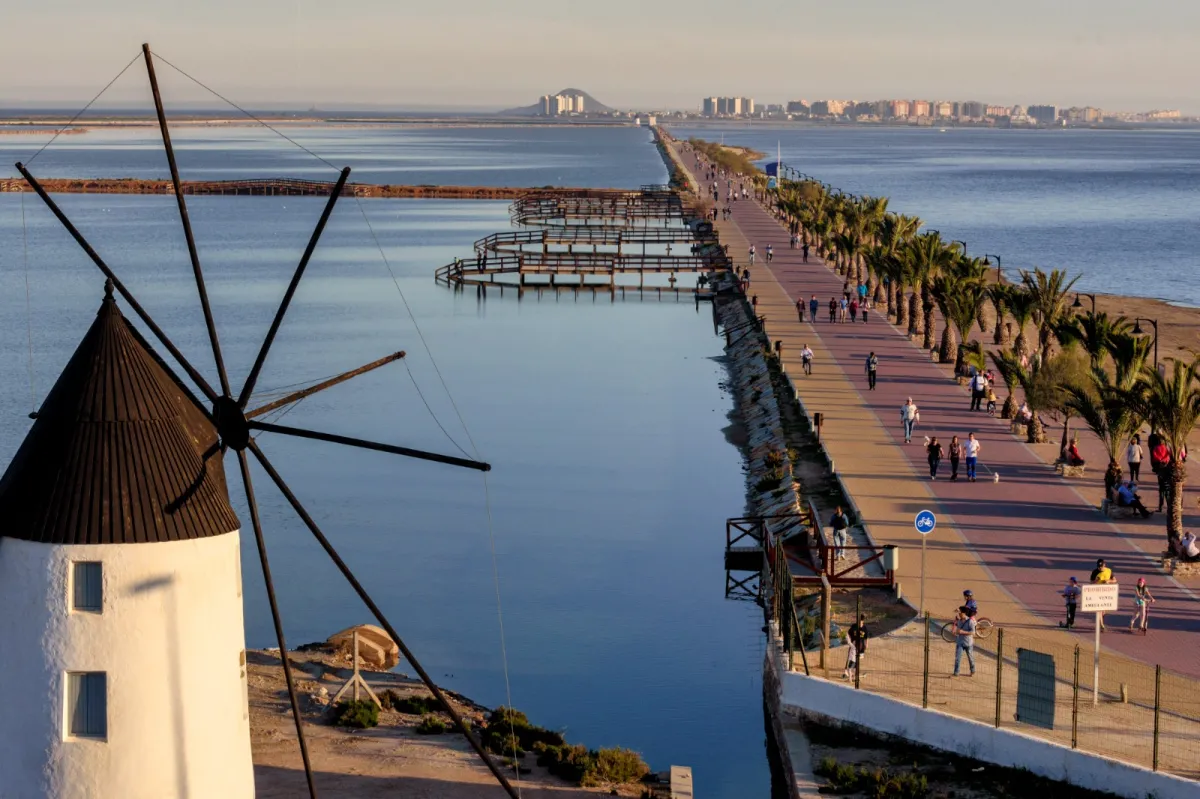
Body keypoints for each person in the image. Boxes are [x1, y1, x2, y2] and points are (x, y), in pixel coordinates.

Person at [1090, 558, 1113, 631]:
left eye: (1101, 566)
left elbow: (1115, 580)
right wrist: (1096, 581)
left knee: (1103, 611)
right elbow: (1091, 582)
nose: (1100, 568)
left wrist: (1108, 581)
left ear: (1104, 565)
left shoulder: (1109, 570)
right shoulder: (1095, 571)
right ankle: (1102, 625)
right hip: (1097, 592)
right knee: (1099, 609)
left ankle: (1100, 621)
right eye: (1099, 566)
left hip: (1106, 593)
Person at [953, 608, 977, 677]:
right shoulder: (959, 621)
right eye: (959, 613)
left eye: (960, 613)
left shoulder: (970, 621)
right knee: (957, 658)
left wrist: (963, 632)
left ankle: (972, 670)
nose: (959, 614)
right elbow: (958, 630)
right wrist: (956, 632)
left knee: (970, 658)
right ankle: (956, 672)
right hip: (960, 642)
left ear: (964, 613)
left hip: (968, 643)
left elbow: (973, 632)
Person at [843, 615, 869, 681]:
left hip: (861, 647)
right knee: (850, 659)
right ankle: (846, 672)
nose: (859, 623)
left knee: (857, 660)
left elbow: (866, 637)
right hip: (853, 646)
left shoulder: (864, 628)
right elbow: (848, 634)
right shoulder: (854, 626)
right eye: (858, 622)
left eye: (860, 622)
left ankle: (854, 674)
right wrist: (849, 641)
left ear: (863, 621)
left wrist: (866, 644)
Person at [1151, 437, 1172, 512]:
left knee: (1161, 490)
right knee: (1167, 491)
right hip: (1165, 467)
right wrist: (1165, 460)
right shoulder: (1166, 448)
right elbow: (1168, 455)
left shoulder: (1156, 448)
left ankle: (1160, 507)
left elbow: (1154, 455)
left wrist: (1160, 460)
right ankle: (1169, 507)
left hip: (1159, 467)